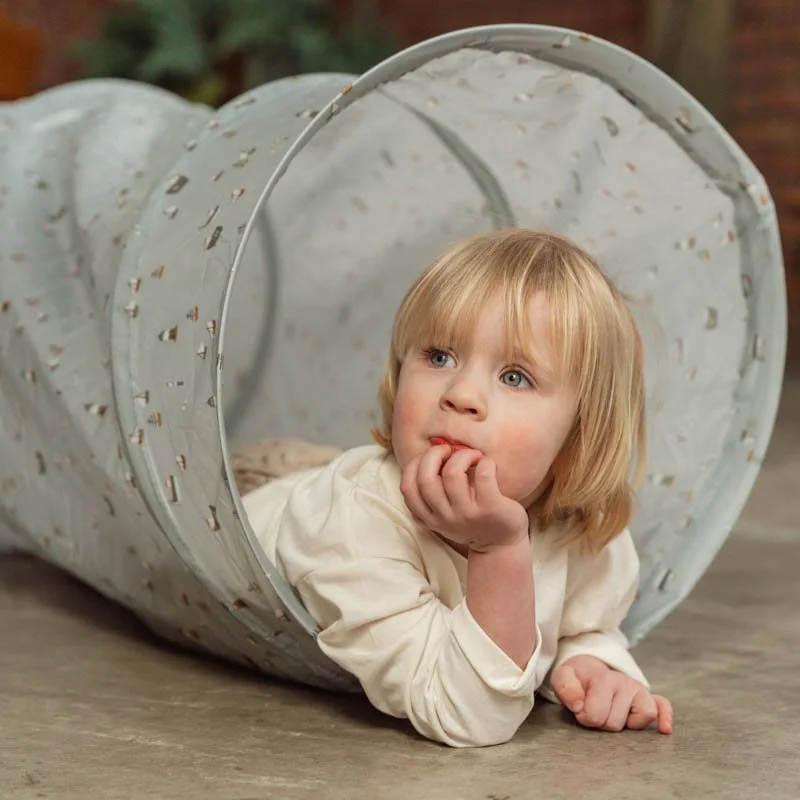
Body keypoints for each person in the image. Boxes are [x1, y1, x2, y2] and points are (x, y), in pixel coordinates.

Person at [240, 228, 674, 747]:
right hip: (256, 497)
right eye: (440, 356)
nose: (462, 394)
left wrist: (595, 662)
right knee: (311, 473)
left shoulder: (582, 535)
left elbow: (581, 623)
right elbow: (463, 712)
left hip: (316, 480)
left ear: (580, 435)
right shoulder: (351, 527)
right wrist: (498, 550)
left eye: (516, 377)